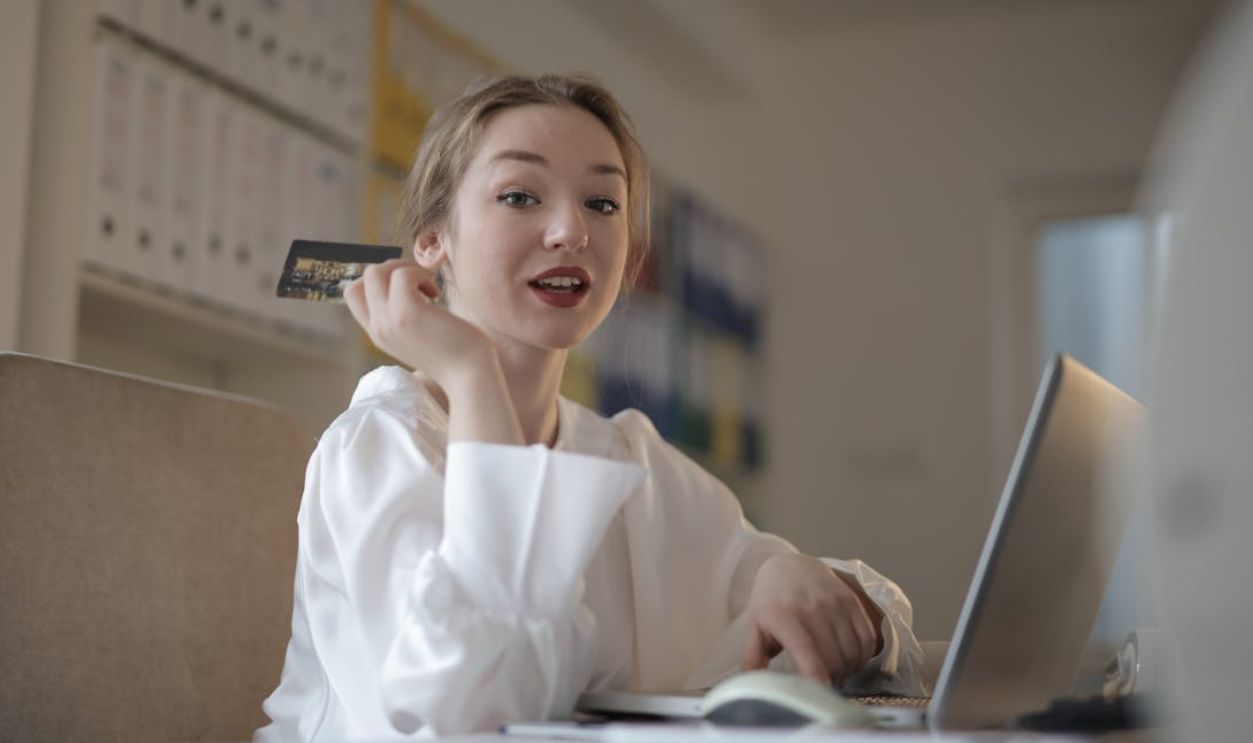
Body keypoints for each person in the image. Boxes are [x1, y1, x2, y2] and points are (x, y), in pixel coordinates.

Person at [255, 73, 925, 741]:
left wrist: (794, 572)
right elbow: (469, 712)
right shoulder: (380, 440)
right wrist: (470, 372)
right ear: (433, 241)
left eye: (602, 204)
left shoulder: (630, 455)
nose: (570, 230)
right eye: (519, 195)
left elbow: (875, 630)